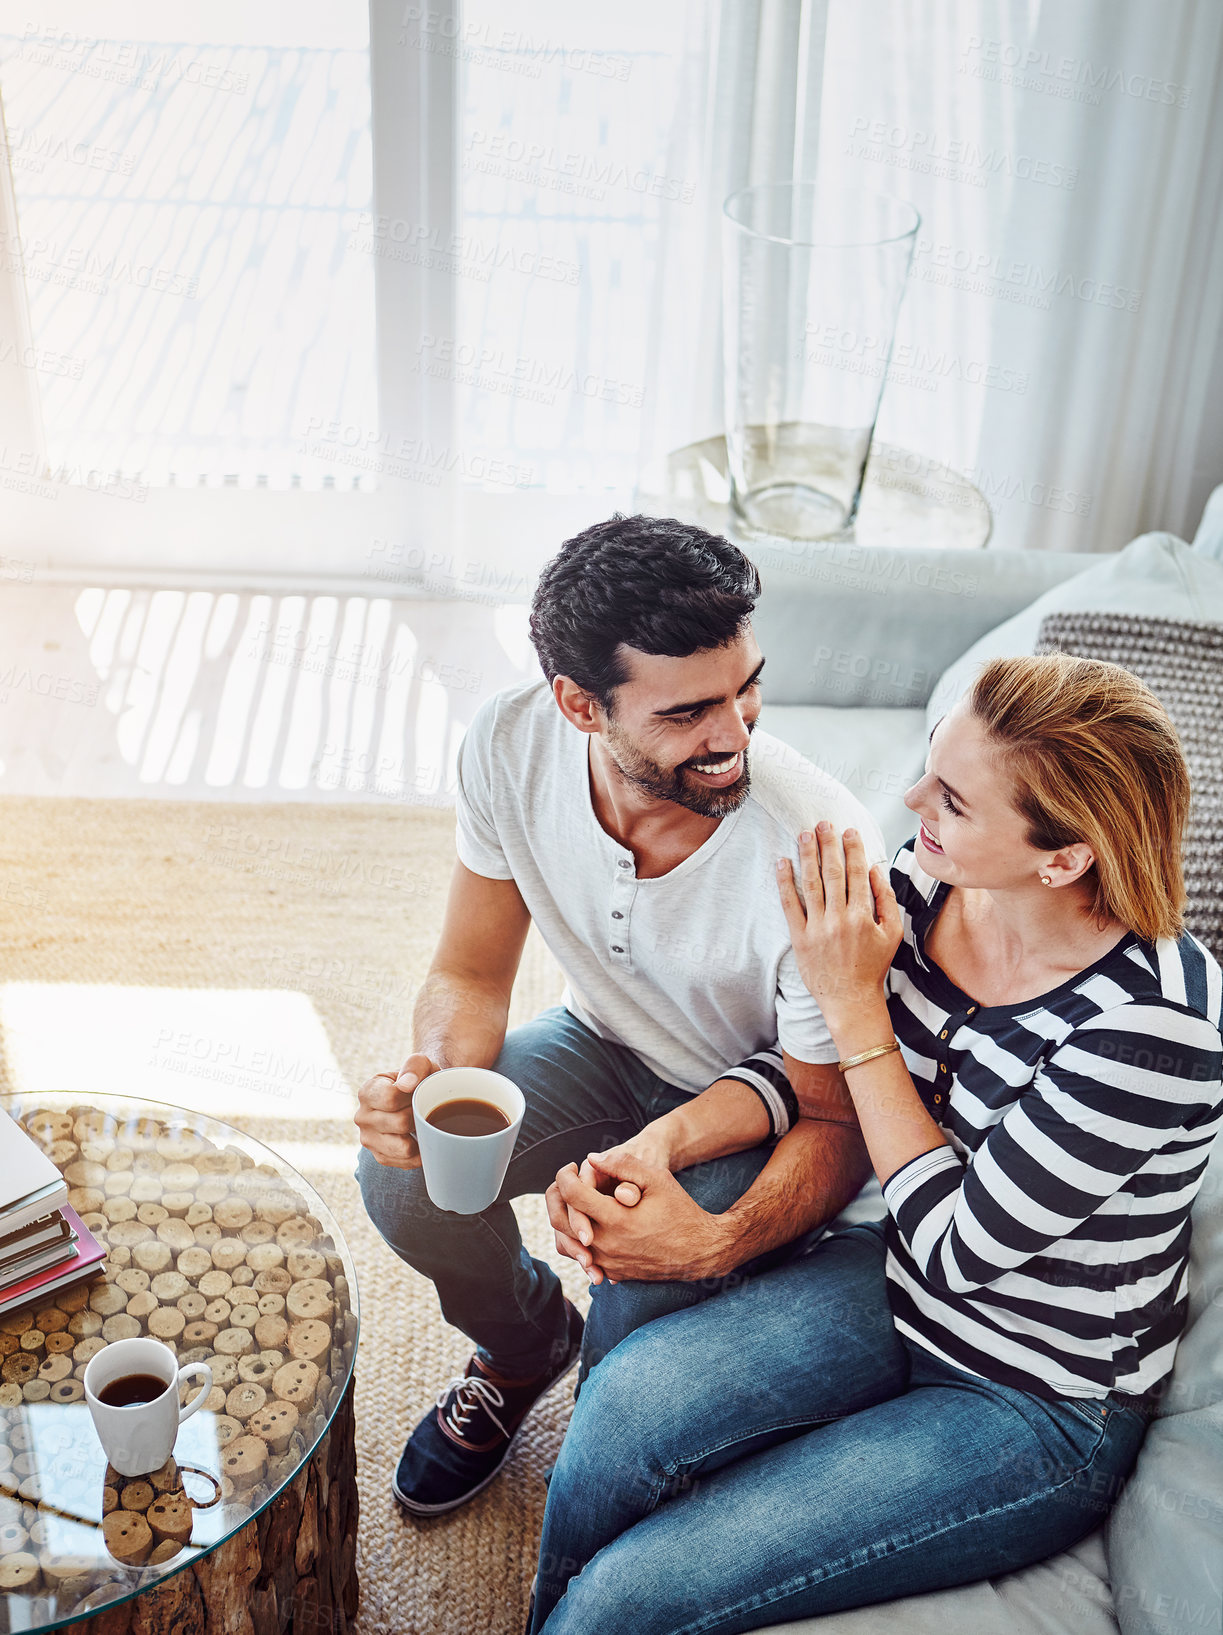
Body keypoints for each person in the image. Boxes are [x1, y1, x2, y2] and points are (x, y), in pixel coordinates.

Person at [527, 652, 1223, 1634]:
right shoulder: (928, 885)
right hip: (894, 1283)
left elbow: (955, 1246)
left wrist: (852, 999)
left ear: (1061, 858)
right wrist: (659, 1144)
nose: (908, 801)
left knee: (626, 1603)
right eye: (928, 769)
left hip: (1032, 1399)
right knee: (622, 1408)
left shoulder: (1151, 1029)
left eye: (951, 799)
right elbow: (818, 1077)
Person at [355, 513, 886, 1516]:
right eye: (688, 713)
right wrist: (432, 1080)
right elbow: (469, 973)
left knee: (634, 1332)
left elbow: (835, 1120)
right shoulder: (509, 745)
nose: (733, 736)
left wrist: (714, 1242)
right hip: (601, 1045)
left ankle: (598, 1418)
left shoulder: (815, 848)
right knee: (400, 1183)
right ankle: (521, 1349)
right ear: (577, 705)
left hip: (748, 1110)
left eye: (745, 689)